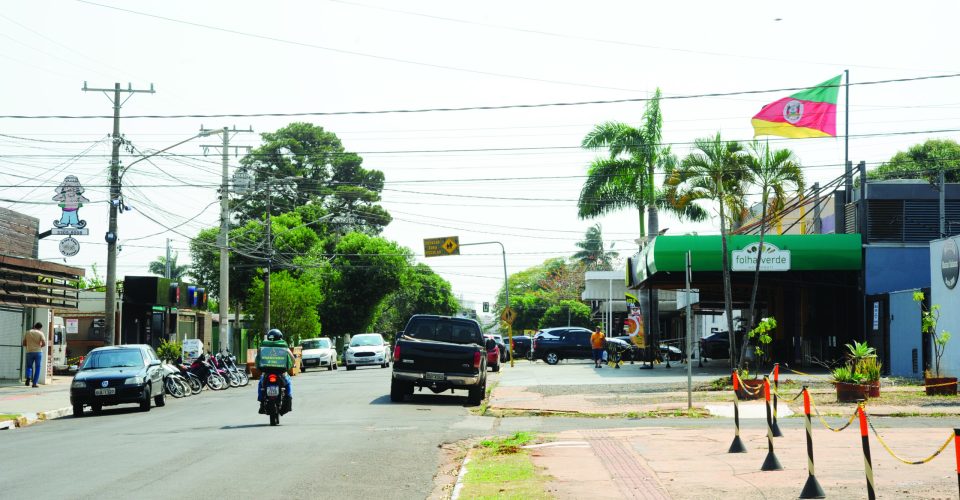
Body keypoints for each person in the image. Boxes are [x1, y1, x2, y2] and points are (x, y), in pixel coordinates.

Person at [256, 329, 294, 415]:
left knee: (261, 384)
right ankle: (288, 398)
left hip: (267, 372)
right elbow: (292, 358)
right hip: (281, 372)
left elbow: (257, 358)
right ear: (280, 337)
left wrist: (258, 367)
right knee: (288, 383)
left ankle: (262, 402)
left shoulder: (263, 347)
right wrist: (292, 365)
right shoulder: (284, 347)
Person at [22, 322, 46, 387]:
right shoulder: (41, 333)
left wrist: (29, 346)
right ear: (40, 328)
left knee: (29, 366)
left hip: (29, 352)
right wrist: (39, 346)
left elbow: (24, 343)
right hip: (38, 352)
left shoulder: (28, 332)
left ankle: (28, 377)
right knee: (38, 367)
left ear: (34, 326)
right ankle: (34, 383)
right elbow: (44, 343)